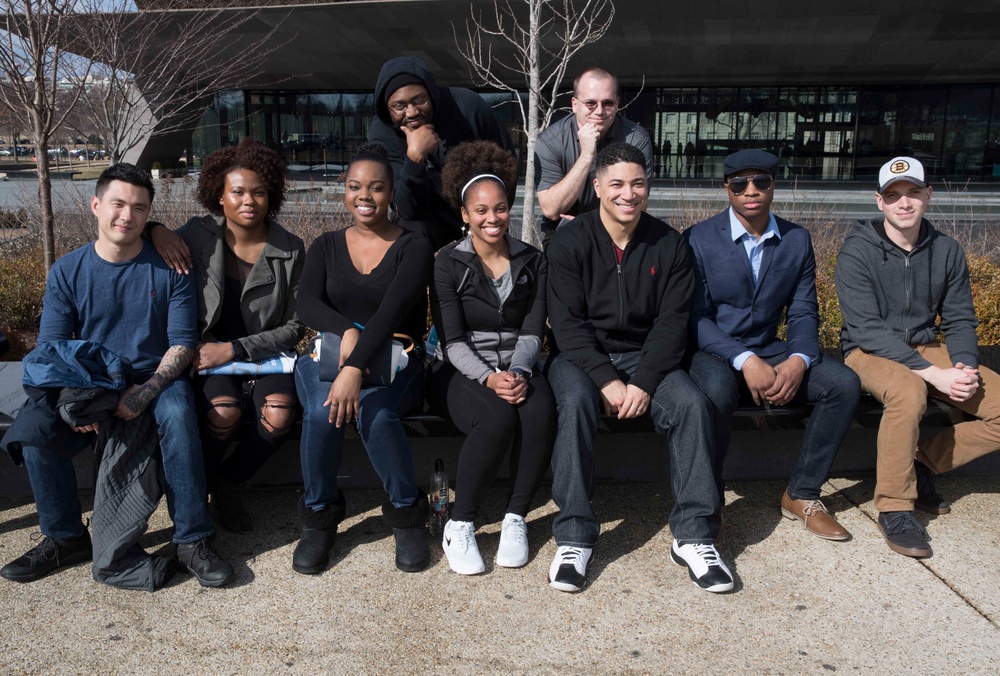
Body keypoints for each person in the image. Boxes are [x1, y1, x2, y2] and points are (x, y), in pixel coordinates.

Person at [0, 164, 233, 587]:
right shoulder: (68, 271)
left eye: (139, 208)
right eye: (118, 204)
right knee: (33, 427)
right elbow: (52, 347)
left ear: (148, 215)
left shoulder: (171, 268)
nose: (127, 215)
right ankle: (65, 536)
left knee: (179, 417)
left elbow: (181, 343)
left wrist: (146, 391)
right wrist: (79, 396)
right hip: (89, 379)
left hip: (154, 376)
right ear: (96, 205)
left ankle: (191, 539)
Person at [544, 142, 729, 594]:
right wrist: (606, 380)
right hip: (583, 356)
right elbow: (567, 325)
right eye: (618, 184)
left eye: (638, 184)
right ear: (598, 187)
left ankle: (694, 536)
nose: (629, 194)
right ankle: (572, 536)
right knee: (572, 402)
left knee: (691, 404)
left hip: (649, 357)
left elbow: (672, 324)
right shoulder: (570, 241)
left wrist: (643, 383)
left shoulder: (668, 244)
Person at [685, 149, 860, 541]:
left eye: (761, 181)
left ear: (773, 185)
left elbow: (802, 312)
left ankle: (802, 493)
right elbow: (695, 317)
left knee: (843, 385)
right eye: (740, 183)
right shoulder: (698, 239)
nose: (751, 190)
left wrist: (798, 359)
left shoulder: (796, 239)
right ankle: (707, 500)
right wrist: (744, 359)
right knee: (713, 391)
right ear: (726, 188)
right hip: (714, 351)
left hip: (772, 347)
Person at [835, 156, 1000, 558]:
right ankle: (895, 505)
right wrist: (933, 375)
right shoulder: (857, 251)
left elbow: (960, 317)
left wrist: (961, 365)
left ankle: (920, 458)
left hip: (927, 345)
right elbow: (866, 328)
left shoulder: (946, 249)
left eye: (912, 193)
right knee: (909, 391)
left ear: (928, 195)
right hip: (868, 351)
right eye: (893, 196)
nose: (903, 203)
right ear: (879, 202)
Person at [148, 138, 305, 534]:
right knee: (224, 412)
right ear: (219, 195)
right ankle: (199, 485)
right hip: (204, 353)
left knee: (280, 413)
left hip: (261, 353)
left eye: (259, 192)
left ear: (272, 196)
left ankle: (226, 482)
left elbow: (294, 326)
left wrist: (234, 349)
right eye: (237, 191)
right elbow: (145, 241)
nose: (248, 200)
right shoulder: (198, 236)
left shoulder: (290, 248)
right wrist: (155, 229)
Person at [292, 144, 433, 575]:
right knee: (321, 412)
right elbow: (306, 304)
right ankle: (320, 515)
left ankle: (407, 512)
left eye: (375, 187)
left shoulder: (415, 245)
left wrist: (353, 369)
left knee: (376, 410)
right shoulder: (327, 245)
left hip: (398, 359)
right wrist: (348, 332)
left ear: (391, 192)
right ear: (345, 191)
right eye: (355, 187)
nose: (364, 196)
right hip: (327, 354)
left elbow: (392, 310)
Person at [427, 141, 555, 575]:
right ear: (465, 215)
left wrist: (518, 371)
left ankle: (515, 518)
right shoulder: (447, 264)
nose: (492, 218)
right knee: (497, 418)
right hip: (462, 369)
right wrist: (489, 379)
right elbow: (452, 341)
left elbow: (534, 330)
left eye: (500, 208)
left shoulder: (533, 260)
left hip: (518, 363)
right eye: (480, 210)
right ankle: (460, 523)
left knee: (539, 412)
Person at [368, 56, 516, 251]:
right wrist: (415, 157)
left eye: (419, 100)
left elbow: (506, 165)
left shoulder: (467, 107)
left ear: (431, 94)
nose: (411, 112)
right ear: (388, 109)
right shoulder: (382, 135)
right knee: (409, 230)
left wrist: (489, 214)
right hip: (428, 224)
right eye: (399, 106)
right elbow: (407, 209)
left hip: (478, 215)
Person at [534, 67, 653, 242]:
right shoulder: (550, 141)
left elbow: (637, 202)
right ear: (575, 104)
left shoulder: (636, 138)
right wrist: (586, 156)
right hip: (564, 230)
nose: (599, 111)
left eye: (608, 103)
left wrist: (589, 224)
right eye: (590, 103)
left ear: (617, 103)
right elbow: (551, 210)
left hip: (619, 229)